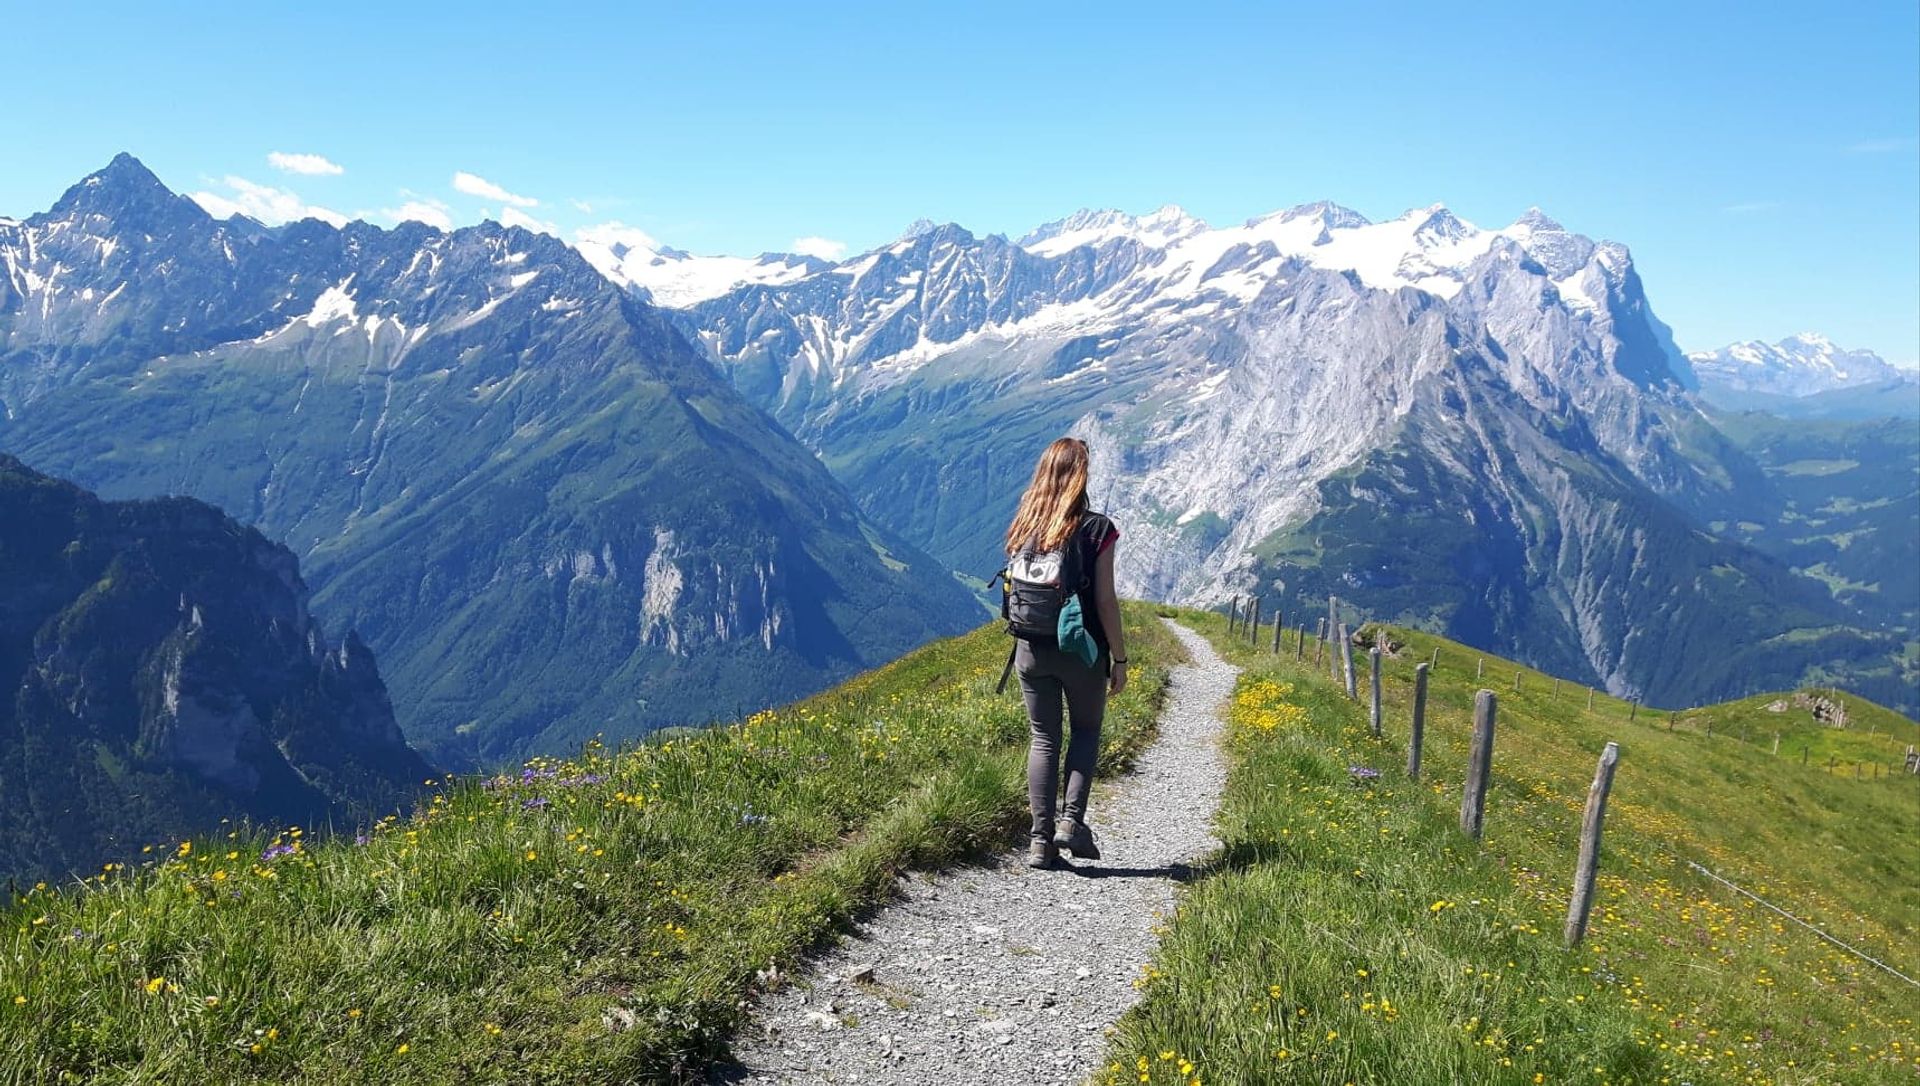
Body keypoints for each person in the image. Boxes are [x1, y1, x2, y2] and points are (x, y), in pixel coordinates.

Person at [1003, 437, 1127, 869]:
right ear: (1082, 477)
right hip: (1080, 651)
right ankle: (1070, 823)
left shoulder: (1025, 523)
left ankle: (1040, 843)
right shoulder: (1097, 529)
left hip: (1029, 650)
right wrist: (1120, 658)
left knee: (1043, 738)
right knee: (1087, 732)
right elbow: (1107, 601)